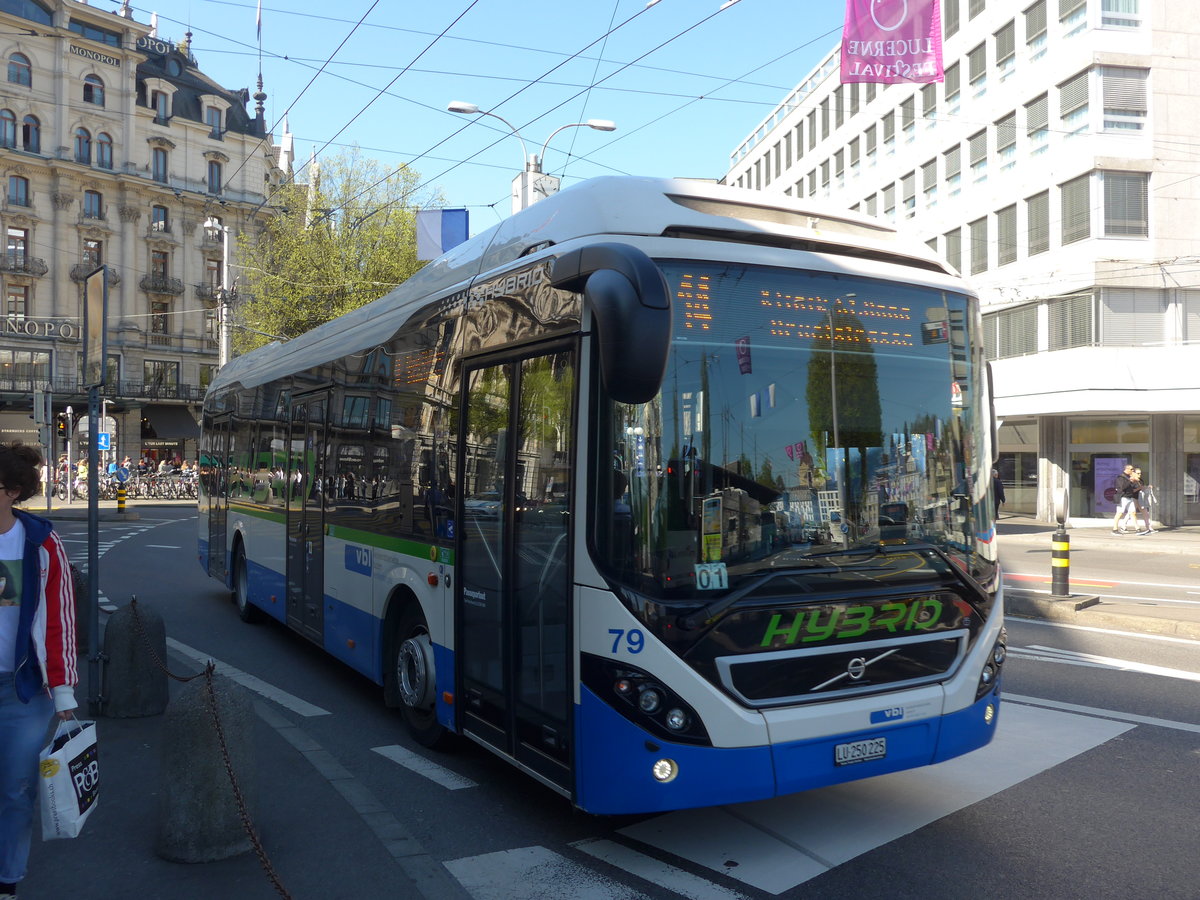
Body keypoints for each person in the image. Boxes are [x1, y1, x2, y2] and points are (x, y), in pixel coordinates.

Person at [0, 442, 77, 899]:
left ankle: (7, 880)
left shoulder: (40, 545)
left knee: (16, 789)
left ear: (9, 491)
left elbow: (58, 620)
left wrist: (64, 692)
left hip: (23, 692)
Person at [1128, 467, 1156, 535]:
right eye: (1138, 473)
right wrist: (1139, 488)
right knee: (1132, 512)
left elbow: (1142, 488)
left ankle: (1149, 527)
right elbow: (1131, 491)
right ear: (1133, 473)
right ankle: (1128, 526)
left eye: (1140, 473)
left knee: (1145, 513)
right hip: (1133, 498)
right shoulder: (1131, 481)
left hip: (1140, 498)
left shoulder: (1140, 480)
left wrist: (1148, 487)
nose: (1139, 475)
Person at [1111, 464, 1137, 534]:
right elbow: (1122, 487)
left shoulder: (1129, 477)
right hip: (1123, 497)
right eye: (1131, 469)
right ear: (1127, 469)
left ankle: (1138, 528)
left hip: (1130, 497)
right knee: (1119, 513)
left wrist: (1135, 481)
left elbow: (1132, 487)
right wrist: (1130, 481)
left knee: (1133, 512)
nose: (1132, 471)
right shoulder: (1121, 477)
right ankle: (1115, 529)